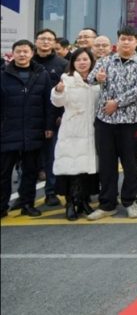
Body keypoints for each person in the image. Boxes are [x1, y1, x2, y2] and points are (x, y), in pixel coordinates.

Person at [87, 27, 137, 220]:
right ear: (118, 41)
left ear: (136, 42)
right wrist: (96, 77)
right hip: (105, 121)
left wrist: (117, 103)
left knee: (131, 164)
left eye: (130, 39)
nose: (126, 42)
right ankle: (107, 204)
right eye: (123, 39)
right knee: (107, 164)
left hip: (131, 122)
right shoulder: (104, 61)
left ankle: (130, 201)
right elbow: (90, 79)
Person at [1, 40, 55, 218]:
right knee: (4, 172)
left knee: (30, 172)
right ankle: (2, 206)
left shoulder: (42, 74)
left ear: (32, 53)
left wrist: (48, 126)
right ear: (13, 53)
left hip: (34, 130)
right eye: (19, 51)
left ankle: (27, 204)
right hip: (8, 131)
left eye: (25, 51)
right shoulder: (3, 74)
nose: (22, 54)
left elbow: (48, 103)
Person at [50, 48, 101, 220]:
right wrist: (58, 91)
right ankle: (71, 203)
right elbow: (58, 102)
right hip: (72, 130)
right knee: (71, 168)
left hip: (92, 130)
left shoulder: (97, 80)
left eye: (85, 59)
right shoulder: (67, 79)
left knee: (87, 170)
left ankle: (84, 201)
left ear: (91, 61)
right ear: (73, 63)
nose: (82, 62)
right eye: (78, 60)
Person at [33, 28, 67, 207]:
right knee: (28, 159)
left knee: (51, 156)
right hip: (30, 116)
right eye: (42, 38)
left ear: (54, 43)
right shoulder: (28, 61)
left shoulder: (62, 64)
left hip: (54, 117)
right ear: (36, 41)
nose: (45, 42)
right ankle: (25, 196)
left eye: (49, 39)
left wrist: (61, 115)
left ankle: (51, 192)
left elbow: (66, 92)